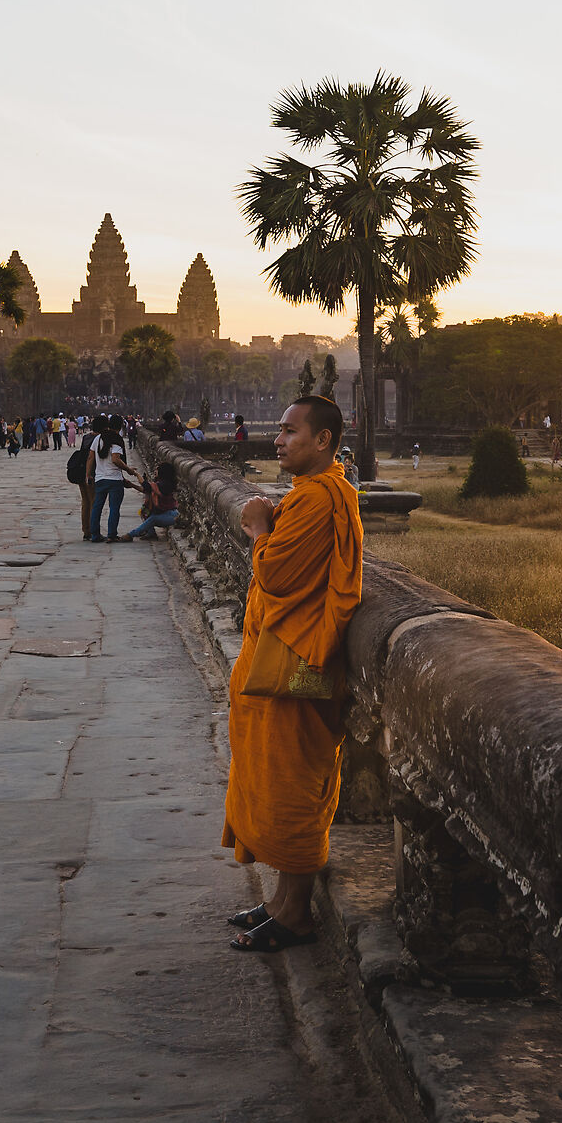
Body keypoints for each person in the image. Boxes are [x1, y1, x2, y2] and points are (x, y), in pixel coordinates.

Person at [223, 394, 364, 952]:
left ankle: (297, 914)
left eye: (289, 431)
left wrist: (258, 525)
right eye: (279, 431)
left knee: (295, 783)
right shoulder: (313, 494)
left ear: (323, 440)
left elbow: (276, 575)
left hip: (299, 664)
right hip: (279, 659)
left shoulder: (318, 498)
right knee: (273, 772)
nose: (278, 439)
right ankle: (281, 900)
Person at [86, 416, 136, 543]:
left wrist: (88, 474)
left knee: (97, 507)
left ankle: (95, 535)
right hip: (114, 479)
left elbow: (90, 458)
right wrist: (128, 470)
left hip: (100, 478)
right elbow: (115, 459)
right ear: (120, 427)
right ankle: (111, 534)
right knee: (114, 508)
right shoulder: (117, 440)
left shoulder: (98, 438)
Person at [125, 461, 182, 541]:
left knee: (153, 519)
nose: (155, 471)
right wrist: (132, 485)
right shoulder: (160, 484)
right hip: (165, 513)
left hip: (172, 515)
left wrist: (136, 474)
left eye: (157, 470)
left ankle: (131, 534)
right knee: (145, 511)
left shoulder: (165, 485)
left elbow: (146, 486)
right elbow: (146, 490)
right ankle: (151, 533)